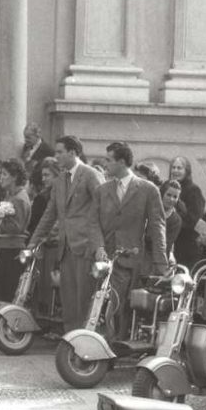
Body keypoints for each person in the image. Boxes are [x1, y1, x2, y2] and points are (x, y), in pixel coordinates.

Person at [88, 143, 168, 337]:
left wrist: (161, 263)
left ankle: (116, 343)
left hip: (132, 260)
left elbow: (158, 227)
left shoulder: (148, 190)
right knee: (100, 305)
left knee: (124, 309)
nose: (105, 164)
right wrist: (98, 247)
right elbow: (92, 223)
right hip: (104, 260)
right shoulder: (102, 190)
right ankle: (102, 342)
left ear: (122, 162)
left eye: (109, 160)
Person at [27, 135, 103, 333]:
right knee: (68, 298)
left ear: (73, 152)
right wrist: (33, 243)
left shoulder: (90, 175)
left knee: (84, 298)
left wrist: (99, 246)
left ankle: (85, 339)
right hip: (65, 248)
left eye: (60, 152)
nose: (56, 156)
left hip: (86, 247)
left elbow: (103, 210)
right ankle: (71, 338)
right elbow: (49, 214)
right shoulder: (60, 180)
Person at [0, 159, 32, 305]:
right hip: (4, 247)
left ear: (14, 177)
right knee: (0, 291)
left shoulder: (19, 199)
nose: (1, 178)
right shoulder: (10, 195)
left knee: (7, 291)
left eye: (5, 174)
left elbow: (16, 228)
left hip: (12, 249)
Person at [167, 156, 205, 267]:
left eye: (179, 168)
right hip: (170, 242)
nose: (175, 171)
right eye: (173, 167)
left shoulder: (194, 190)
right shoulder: (167, 188)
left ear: (186, 171)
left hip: (187, 244)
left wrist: (175, 224)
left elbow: (195, 219)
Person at [159, 179, 183, 260]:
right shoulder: (150, 210)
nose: (171, 199)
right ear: (162, 194)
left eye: (175, 197)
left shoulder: (176, 220)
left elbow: (166, 245)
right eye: (168, 195)